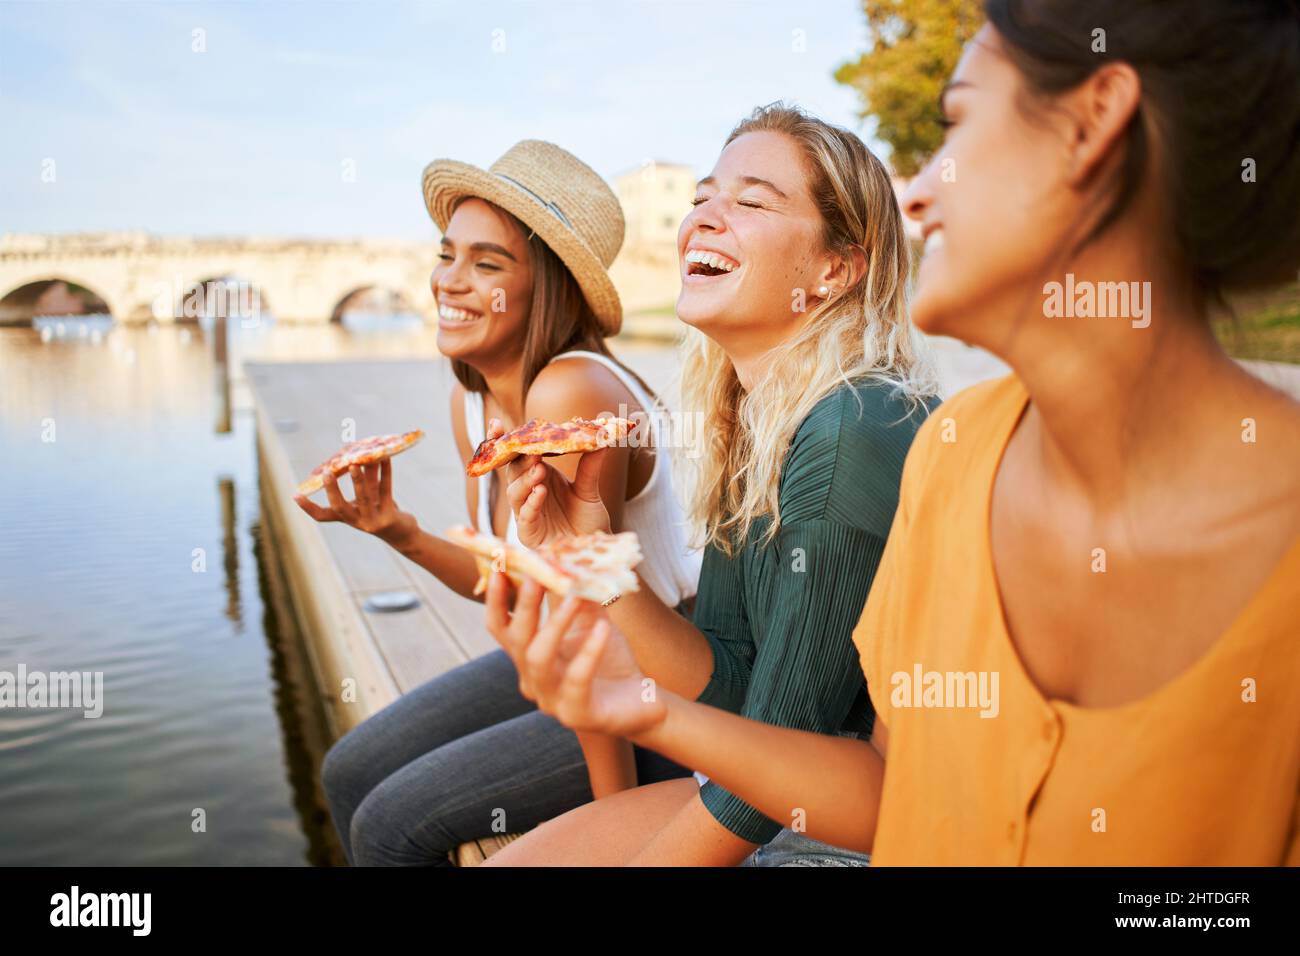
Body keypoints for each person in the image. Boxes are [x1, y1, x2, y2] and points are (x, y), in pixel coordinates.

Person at [499, 0, 1300, 865]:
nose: (916, 191)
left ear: (1093, 124)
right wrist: (644, 698)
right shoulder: (954, 454)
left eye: (955, 125)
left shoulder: (871, 430)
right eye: (701, 198)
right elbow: (886, 789)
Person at [483, 102, 940, 866]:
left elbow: (782, 765)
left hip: (886, 831)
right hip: (778, 792)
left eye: (751, 202)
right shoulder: (754, 419)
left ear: (837, 267)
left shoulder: (850, 430)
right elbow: (731, 683)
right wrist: (597, 560)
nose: (703, 218)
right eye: (701, 198)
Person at [296, 139, 701, 865]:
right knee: (348, 769)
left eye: (487, 264)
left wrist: (614, 824)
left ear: (546, 288)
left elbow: (595, 628)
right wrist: (397, 531)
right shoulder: (471, 402)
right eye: (447, 254)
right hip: (563, 650)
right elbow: (510, 581)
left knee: (391, 827)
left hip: (656, 685)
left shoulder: (573, 394)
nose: (449, 281)